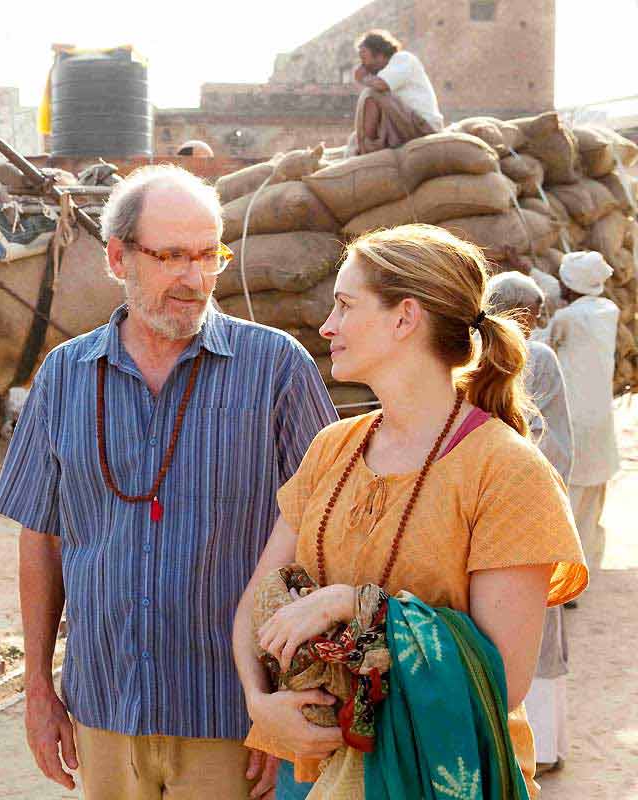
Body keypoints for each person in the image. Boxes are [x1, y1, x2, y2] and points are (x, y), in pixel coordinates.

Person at [0, 164, 337, 799]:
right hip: (104, 708)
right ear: (117, 258)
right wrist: (37, 688)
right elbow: (41, 540)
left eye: (208, 256)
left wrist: (281, 699)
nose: (195, 279)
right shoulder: (63, 376)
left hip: (233, 715)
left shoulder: (277, 370)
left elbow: (326, 535)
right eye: (173, 256)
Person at [233, 225, 586, 799]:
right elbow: (257, 594)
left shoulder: (506, 470)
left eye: (346, 305)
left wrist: (354, 605)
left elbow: (500, 679)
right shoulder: (332, 447)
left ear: (404, 318)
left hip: (437, 774)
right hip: (312, 775)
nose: (327, 326)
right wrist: (260, 702)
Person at [487, 271, 575, 776]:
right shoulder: (536, 355)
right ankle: (541, 749)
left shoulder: (484, 356)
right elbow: (556, 439)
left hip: (503, 503)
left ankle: (527, 749)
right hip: (531, 499)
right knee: (537, 627)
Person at [539, 251, 620, 576]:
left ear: (569, 287)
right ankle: (586, 571)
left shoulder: (567, 319)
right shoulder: (608, 310)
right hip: (600, 422)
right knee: (591, 501)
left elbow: (540, 343)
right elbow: (565, 291)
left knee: (568, 500)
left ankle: (565, 578)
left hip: (575, 422)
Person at [350, 30, 442, 155]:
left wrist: (363, 78)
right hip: (405, 124)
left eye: (364, 57)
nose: (363, 64)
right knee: (354, 139)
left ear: (379, 54)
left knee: (370, 94)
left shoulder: (403, 59)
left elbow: (381, 85)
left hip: (423, 126)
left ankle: (367, 149)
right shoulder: (384, 72)